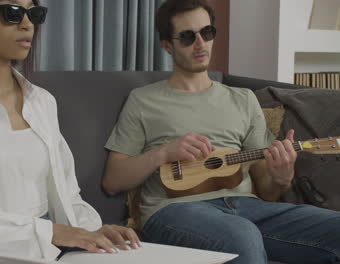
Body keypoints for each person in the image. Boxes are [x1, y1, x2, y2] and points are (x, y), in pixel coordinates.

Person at [102, 0, 340, 263]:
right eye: (187, 37)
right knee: (241, 234)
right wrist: (162, 153)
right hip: (173, 211)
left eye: (207, 32)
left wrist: (281, 177)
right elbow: (113, 181)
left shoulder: (244, 99)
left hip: (248, 207)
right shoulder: (142, 100)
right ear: (167, 45)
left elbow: (267, 191)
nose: (201, 43)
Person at [0, 0, 140, 263]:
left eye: (34, 13)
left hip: (50, 249)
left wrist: (91, 231)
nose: (28, 24)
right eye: (13, 12)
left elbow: (66, 193)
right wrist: (50, 232)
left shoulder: (42, 101)